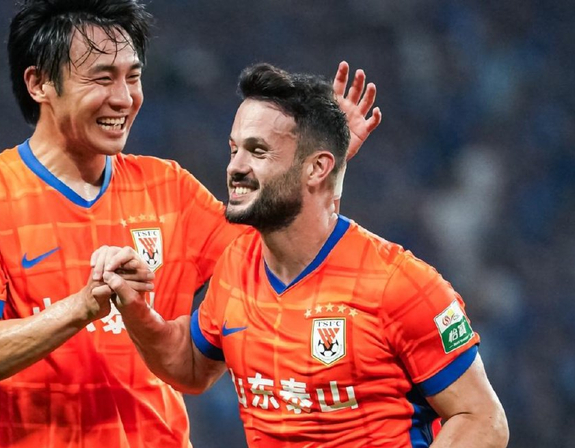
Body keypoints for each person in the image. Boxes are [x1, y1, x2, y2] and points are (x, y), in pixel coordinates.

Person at [0, 1, 381, 447]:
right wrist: (82, 307)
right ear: (40, 83)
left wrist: (319, 165)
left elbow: (281, 255)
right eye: (102, 78)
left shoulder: (168, 188)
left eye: (132, 77)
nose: (124, 98)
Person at [98, 63, 509, 447]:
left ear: (317, 169)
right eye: (234, 149)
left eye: (257, 152)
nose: (235, 167)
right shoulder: (235, 266)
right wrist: (136, 309)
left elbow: (483, 420)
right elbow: (189, 366)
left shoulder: (400, 285)